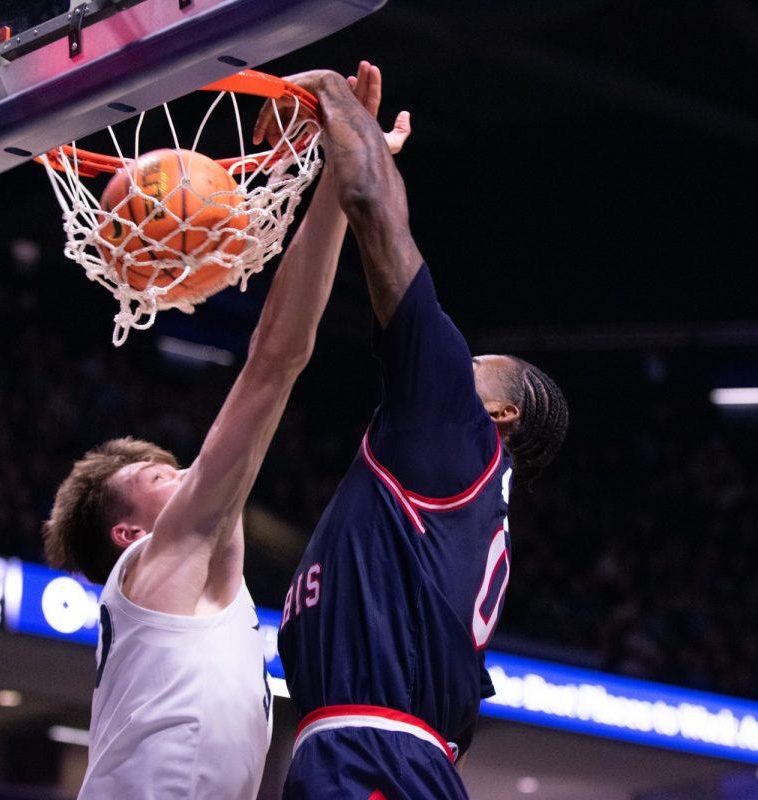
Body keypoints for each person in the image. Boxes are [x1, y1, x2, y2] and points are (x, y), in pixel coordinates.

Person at [40, 67, 410, 800]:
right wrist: (344, 180)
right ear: (129, 537)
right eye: (163, 480)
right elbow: (276, 361)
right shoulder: (158, 565)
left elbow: (281, 361)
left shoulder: (199, 589)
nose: (189, 478)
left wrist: (343, 178)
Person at [276, 64, 569, 799]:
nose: (452, 361)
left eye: (475, 364)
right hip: (386, 754)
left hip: (374, 752)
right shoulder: (459, 489)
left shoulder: (455, 435)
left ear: (501, 415)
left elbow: (378, 209)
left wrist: (338, 107)